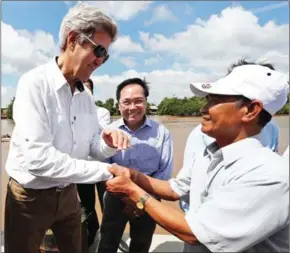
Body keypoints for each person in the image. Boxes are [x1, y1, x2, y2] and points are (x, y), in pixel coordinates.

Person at [105, 61, 289, 252]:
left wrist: (132, 191)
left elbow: (194, 233)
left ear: (250, 110)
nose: (203, 109)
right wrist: (133, 175)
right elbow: (174, 189)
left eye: (215, 101)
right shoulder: (210, 153)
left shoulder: (267, 175)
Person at [4, 3, 130, 253]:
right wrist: (108, 171)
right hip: (29, 196)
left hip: (69, 192)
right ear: (73, 39)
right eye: (99, 50)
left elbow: (91, 148)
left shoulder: (86, 97)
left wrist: (106, 144)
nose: (101, 61)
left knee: (76, 247)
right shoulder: (33, 84)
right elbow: (38, 159)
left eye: (106, 55)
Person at [98, 78, 173, 253]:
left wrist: (140, 197)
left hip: (150, 197)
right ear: (118, 105)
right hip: (115, 196)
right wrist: (127, 198)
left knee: (142, 242)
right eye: (126, 102)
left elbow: (164, 173)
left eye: (138, 101)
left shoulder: (162, 133)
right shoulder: (109, 132)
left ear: (146, 102)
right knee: (107, 240)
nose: (132, 107)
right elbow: (103, 168)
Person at [77, 78, 111, 252]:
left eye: (87, 88)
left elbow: (100, 135)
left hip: (102, 167)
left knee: (107, 205)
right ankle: (93, 232)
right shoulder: (71, 112)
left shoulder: (102, 112)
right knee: (87, 206)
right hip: (82, 169)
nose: (83, 92)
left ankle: (109, 235)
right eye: (80, 88)